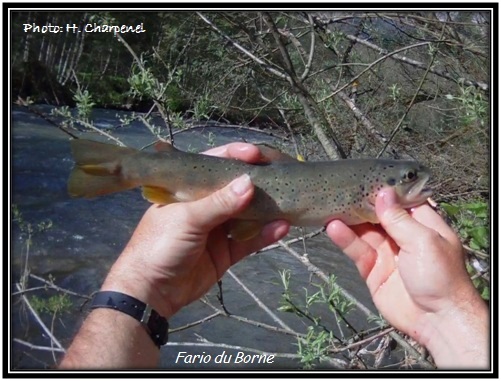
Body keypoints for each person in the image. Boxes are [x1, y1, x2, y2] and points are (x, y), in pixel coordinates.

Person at [59, 143, 489, 370]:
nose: (417, 183)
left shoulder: (362, 198)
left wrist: (447, 311)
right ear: (373, 191)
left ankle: (125, 166)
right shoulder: (361, 195)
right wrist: (452, 315)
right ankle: (124, 167)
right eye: (407, 179)